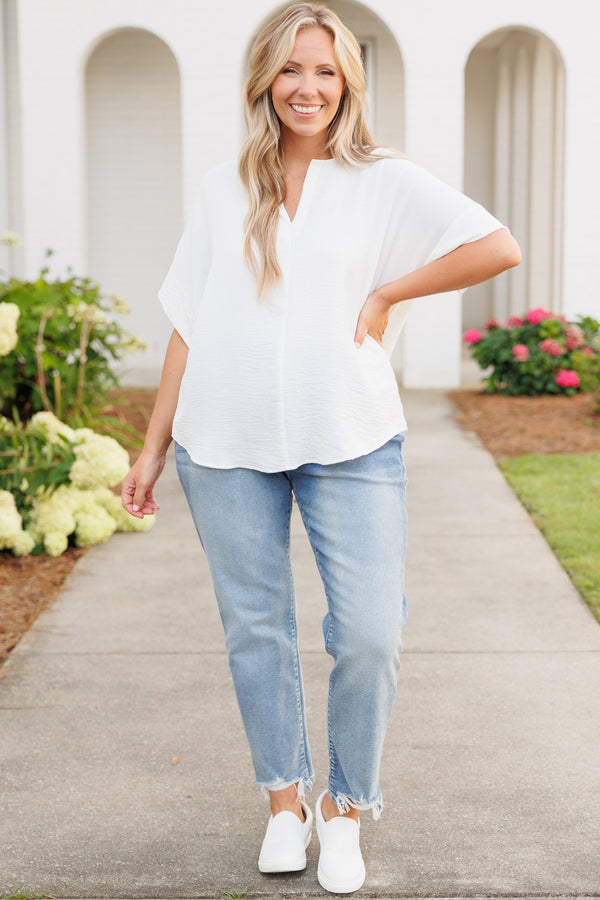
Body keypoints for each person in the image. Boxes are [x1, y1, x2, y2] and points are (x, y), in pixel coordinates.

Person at [122, 3, 520, 893]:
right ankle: (284, 806)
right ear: (265, 79)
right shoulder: (225, 185)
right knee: (256, 630)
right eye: (293, 70)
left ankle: (345, 809)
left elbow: (498, 245)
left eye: (327, 72)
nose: (309, 88)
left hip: (351, 436)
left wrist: (386, 297)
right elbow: (190, 319)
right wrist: (153, 447)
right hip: (222, 441)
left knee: (372, 634)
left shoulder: (380, 178)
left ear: (348, 84)